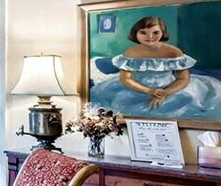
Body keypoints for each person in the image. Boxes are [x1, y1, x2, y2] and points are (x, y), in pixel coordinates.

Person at [91, 16, 221, 118]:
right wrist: (149, 91)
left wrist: (165, 93)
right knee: (120, 102)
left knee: (187, 99)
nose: (150, 37)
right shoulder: (131, 53)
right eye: (143, 32)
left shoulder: (174, 52)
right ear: (136, 33)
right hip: (139, 88)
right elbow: (126, 79)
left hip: (171, 87)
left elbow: (183, 78)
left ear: (162, 33)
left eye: (155, 32)